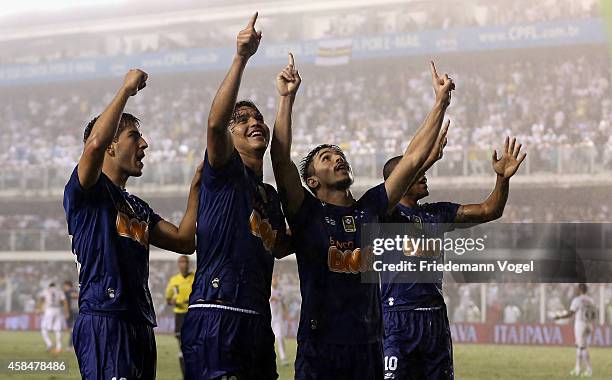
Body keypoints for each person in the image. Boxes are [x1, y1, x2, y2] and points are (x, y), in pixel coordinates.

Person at [271, 54, 454, 378]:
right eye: (326, 158)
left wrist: (440, 103)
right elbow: (281, 158)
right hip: (320, 347)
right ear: (312, 181)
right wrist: (287, 98)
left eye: (339, 155)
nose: (337, 159)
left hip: (369, 346)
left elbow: (411, 160)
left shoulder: (370, 208)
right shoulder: (306, 212)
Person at [63, 69, 202, 380]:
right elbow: (94, 144)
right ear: (111, 146)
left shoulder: (137, 206)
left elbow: (184, 241)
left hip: (139, 322)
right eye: (134, 136)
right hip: (105, 318)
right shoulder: (88, 190)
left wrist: (196, 189)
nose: (144, 144)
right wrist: (125, 89)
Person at [181, 13, 291, 380]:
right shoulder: (223, 171)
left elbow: (280, 245)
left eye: (257, 117)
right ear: (230, 137)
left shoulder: (271, 198)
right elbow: (215, 124)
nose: (253, 122)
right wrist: (242, 57)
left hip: (258, 320)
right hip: (217, 312)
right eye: (242, 119)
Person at [380, 133, 525, 379]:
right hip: (397, 318)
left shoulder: (436, 214)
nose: (424, 176)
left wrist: (502, 178)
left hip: (435, 318)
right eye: (417, 173)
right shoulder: (385, 215)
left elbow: (490, 210)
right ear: (401, 180)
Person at [555, 283, 597, 377]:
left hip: (580, 324)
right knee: (579, 346)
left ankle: (589, 370)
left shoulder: (577, 300)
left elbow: (571, 313)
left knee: (582, 347)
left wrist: (560, 317)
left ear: (579, 290)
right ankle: (577, 369)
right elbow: (594, 314)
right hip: (589, 324)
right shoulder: (591, 300)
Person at [165, 255, 194, 378]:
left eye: (185, 262)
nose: (183, 265)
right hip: (179, 316)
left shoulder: (195, 278)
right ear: (178, 265)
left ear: (188, 264)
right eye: (181, 262)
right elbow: (168, 300)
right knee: (183, 346)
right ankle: (185, 374)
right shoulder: (174, 280)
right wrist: (175, 302)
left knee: (194, 344)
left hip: (192, 314)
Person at [37, 282, 68, 354]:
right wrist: (66, 312)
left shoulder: (46, 290)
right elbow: (64, 301)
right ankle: (59, 347)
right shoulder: (59, 291)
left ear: (49, 286)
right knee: (58, 329)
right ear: (55, 286)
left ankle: (49, 344)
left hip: (49, 310)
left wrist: (38, 308)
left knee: (44, 328)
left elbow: (41, 300)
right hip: (58, 310)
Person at [270, 274, 288, 366]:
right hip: (269, 318)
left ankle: (283, 358)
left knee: (280, 338)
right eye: (274, 279)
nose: (276, 281)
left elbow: (284, 305)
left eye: (277, 279)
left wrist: (286, 315)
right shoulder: (268, 290)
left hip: (278, 319)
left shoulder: (280, 292)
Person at [62, 280, 78, 348]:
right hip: (74, 311)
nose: (63, 287)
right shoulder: (73, 291)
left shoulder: (68, 292)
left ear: (67, 285)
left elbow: (66, 303)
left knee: (72, 329)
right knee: (72, 329)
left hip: (73, 312)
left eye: (64, 285)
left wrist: (66, 312)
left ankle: (70, 345)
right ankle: (71, 345)